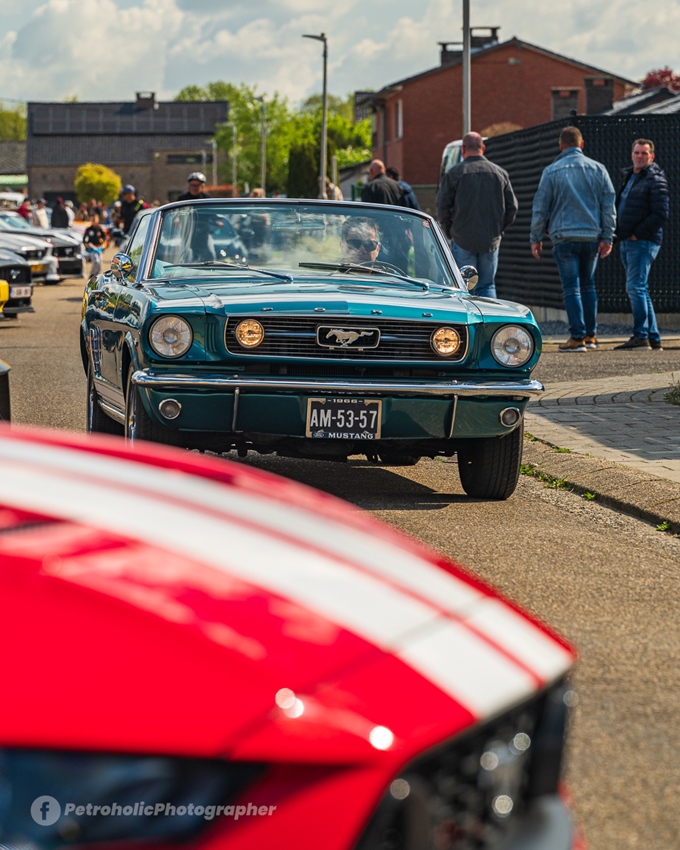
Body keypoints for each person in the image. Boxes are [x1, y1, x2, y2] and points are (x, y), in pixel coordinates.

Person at [530, 126, 616, 352]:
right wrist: (607, 236)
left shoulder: (551, 171)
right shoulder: (599, 169)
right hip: (591, 237)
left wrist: (535, 237)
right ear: (582, 144)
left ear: (560, 146)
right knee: (588, 285)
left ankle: (577, 338)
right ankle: (591, 335)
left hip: (564, 237)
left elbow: (540, 208)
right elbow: (608, 207)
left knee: (571, 288)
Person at [436, 131, 517, 299]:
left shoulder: (454, 173)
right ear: (483, 148)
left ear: (463, 149)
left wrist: (449, 231)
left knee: (464, 286)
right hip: (490, 239)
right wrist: (499, 230)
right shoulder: (499, 173)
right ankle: (489, 316)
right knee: (487, 285)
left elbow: (442, 207)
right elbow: (512, 208)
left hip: (462, 238)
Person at [613, 139, 669, 351]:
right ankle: (653, 337)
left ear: (652, 156)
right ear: (631, 154)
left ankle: (640, 336)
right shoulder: (631, 176)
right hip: (628, 241)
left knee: (635, 287)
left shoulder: (655, 179)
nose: (639, 157)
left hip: (642, 242)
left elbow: (661, 214)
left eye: (644, 153)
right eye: (636, 152)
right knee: (640, 288)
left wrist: (637, 234)